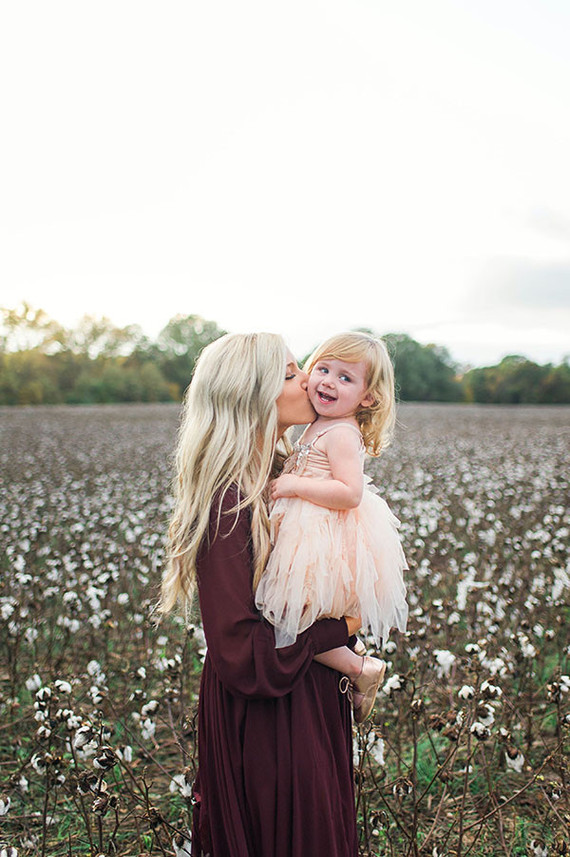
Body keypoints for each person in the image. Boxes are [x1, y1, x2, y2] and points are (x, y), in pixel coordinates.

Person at [160, 332, 360, 857]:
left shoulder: (280, 473)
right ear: (256, 395)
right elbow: (243, 653)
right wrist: (343, 630)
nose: (310, 382)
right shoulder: (229, 499)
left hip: (305, 692)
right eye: (293, 373)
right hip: (271, 718)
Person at [255, 332, 408, 722]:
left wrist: (292, 485)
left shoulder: (341, 431)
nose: (327, 381)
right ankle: (354, 663)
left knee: (290, 614)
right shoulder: (318, 423)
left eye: (345, 378)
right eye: (323, 369)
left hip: (320, 536)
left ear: (368, 398)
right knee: (291, 614)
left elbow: (349, 492)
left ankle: (361, 668)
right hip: (302, 528)